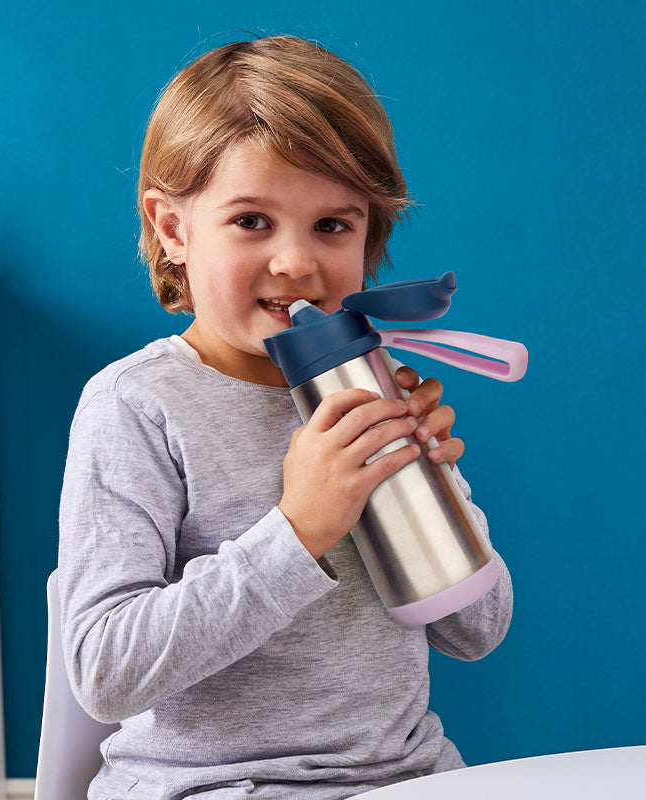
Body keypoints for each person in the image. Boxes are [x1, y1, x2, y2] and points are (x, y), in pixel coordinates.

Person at [58, 34, 513, 800]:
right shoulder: (137, 406)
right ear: (172, 228)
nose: (297, 262)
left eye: (332, 225)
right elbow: (106, 671)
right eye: (252, 221)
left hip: (405, 778)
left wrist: (436, 495)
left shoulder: (371, 391)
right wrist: (300, 529)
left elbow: (476, 631)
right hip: (212, 787)